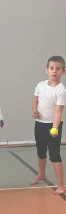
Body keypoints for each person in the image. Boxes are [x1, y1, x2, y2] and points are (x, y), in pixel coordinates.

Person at [30, 56, 66, 195]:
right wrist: (34, 110)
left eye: (58, 69)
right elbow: (35, 100)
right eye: (52, 68)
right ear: (47, 70)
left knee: (54, 154)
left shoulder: (61, 90)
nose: (54, 71)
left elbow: (58, 111)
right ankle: (41, 174)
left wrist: (55, 127)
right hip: (40, 124)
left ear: (63, 71)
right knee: (40, 151)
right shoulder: (40, 85)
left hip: (53, 126)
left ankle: (60, 185)